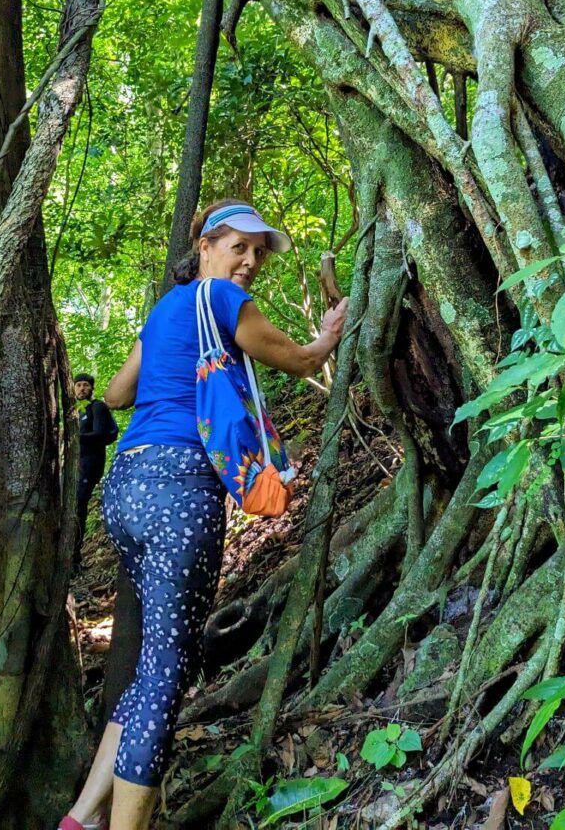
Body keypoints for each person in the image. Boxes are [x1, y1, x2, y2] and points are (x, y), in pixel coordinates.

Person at [60, 200, 349, 830]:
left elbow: (116, 393)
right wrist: (331, 329)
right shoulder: (218, 300)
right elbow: (303, 361)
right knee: (168, 673)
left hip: (127, 488)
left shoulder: (166, 311)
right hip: (179, 488)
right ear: (207, 248)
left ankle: (81, 818)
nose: (249, 261)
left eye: (257, 252)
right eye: (238, 246)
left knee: (154, 665)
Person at [74, 374, 118, 568]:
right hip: (75, 463)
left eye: (86, 385)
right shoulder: (75, 412)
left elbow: (101, 434)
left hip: (91, 463)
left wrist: (75, 437)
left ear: (91, 388)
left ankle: (74, 557)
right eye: (78, 385)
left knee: (77, 506)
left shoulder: (97, 407)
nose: (82, 388)